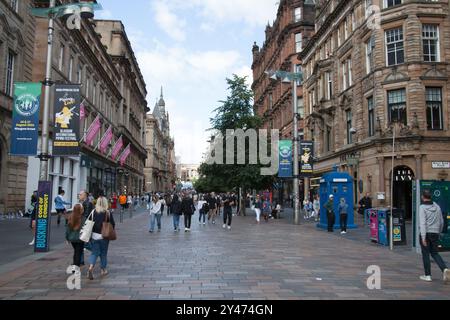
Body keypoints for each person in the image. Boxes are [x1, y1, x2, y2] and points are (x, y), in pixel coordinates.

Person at [419, 190, 449, 283]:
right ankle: (444, 269)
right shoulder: (437, 206)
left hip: (426, 233)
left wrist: (423, 237)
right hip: (435, 233)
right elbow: (441, 221)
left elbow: (423, 223)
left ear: (423, 197)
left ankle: (428, 275)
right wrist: (438, 232)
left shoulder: (422, 207)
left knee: (425, 254)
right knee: (435, 253)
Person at [87, 196, 115, 280]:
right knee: (103, 253)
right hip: (104, 236)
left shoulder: (93, 212)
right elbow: (112, 224)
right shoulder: (108, 213)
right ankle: (103, 269)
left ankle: (91, 267)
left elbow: (88, 223)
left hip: (94, 236)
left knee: (94, 253)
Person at [66, 204, 85, 270]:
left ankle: (75, 264)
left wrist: (67, 238)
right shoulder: (82, 218)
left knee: (76, 252)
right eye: (82, 208)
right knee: (78, 253)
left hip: (72, 239)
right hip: (80, 238)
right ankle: (76, 267)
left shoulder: (70, 217)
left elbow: (67, 229)